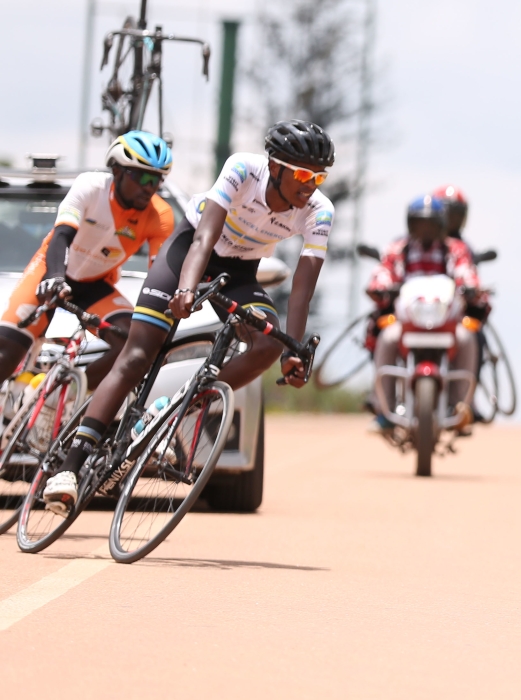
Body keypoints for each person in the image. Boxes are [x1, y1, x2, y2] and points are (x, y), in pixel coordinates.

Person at [41, 119, 336, 513]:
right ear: (276, 167)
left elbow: (301, 290)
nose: (310, 184)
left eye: (319, 176)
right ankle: (71, 468)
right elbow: (203, 238)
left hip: (239, 271)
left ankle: (182, 406)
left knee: (268, 342)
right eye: (301, 174)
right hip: (189, 253)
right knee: (137, 355)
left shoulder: (319, 211)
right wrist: (185, 289)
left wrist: (294, 350)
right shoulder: (244, 169)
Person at [0, 131, 175, 391]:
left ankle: (64, 397)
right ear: (116, 171)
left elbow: (158, 273)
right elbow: (61, 236)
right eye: (142, 177)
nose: (149, 187)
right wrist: (55, 277)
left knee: (133, 342)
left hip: (95, 283)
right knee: (6, 354)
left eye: (156, 180)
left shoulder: (159, 214)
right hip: (52, 271)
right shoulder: (91, 187)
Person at [367, 194, 489, 431]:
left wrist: (472, 287)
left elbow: (465, 271)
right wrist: (380, 287)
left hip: (445, 321)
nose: (425, 229)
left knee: (467, 338)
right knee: (387, 338)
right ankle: (384, 409)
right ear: (410, 224)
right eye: (420, 223)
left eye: (431, 224)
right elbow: (383, 271)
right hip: (408, 322)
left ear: (442, 226)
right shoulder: (398, 248)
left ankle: (461, 407)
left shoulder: (455, 249)